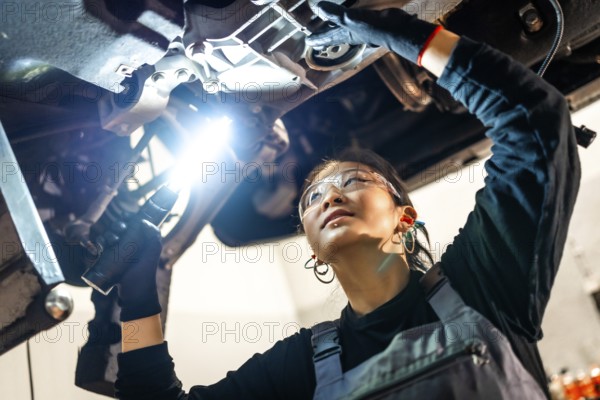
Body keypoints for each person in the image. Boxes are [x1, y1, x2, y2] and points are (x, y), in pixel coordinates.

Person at [111, 2, 581, 399]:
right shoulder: (303, 366)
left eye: (354, 180)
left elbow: (536, 125)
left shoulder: (483, 287)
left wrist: (401, 32)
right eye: (312, 196)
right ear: (314, 248)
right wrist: (136, 302)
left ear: (405, 216)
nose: (330, 194)